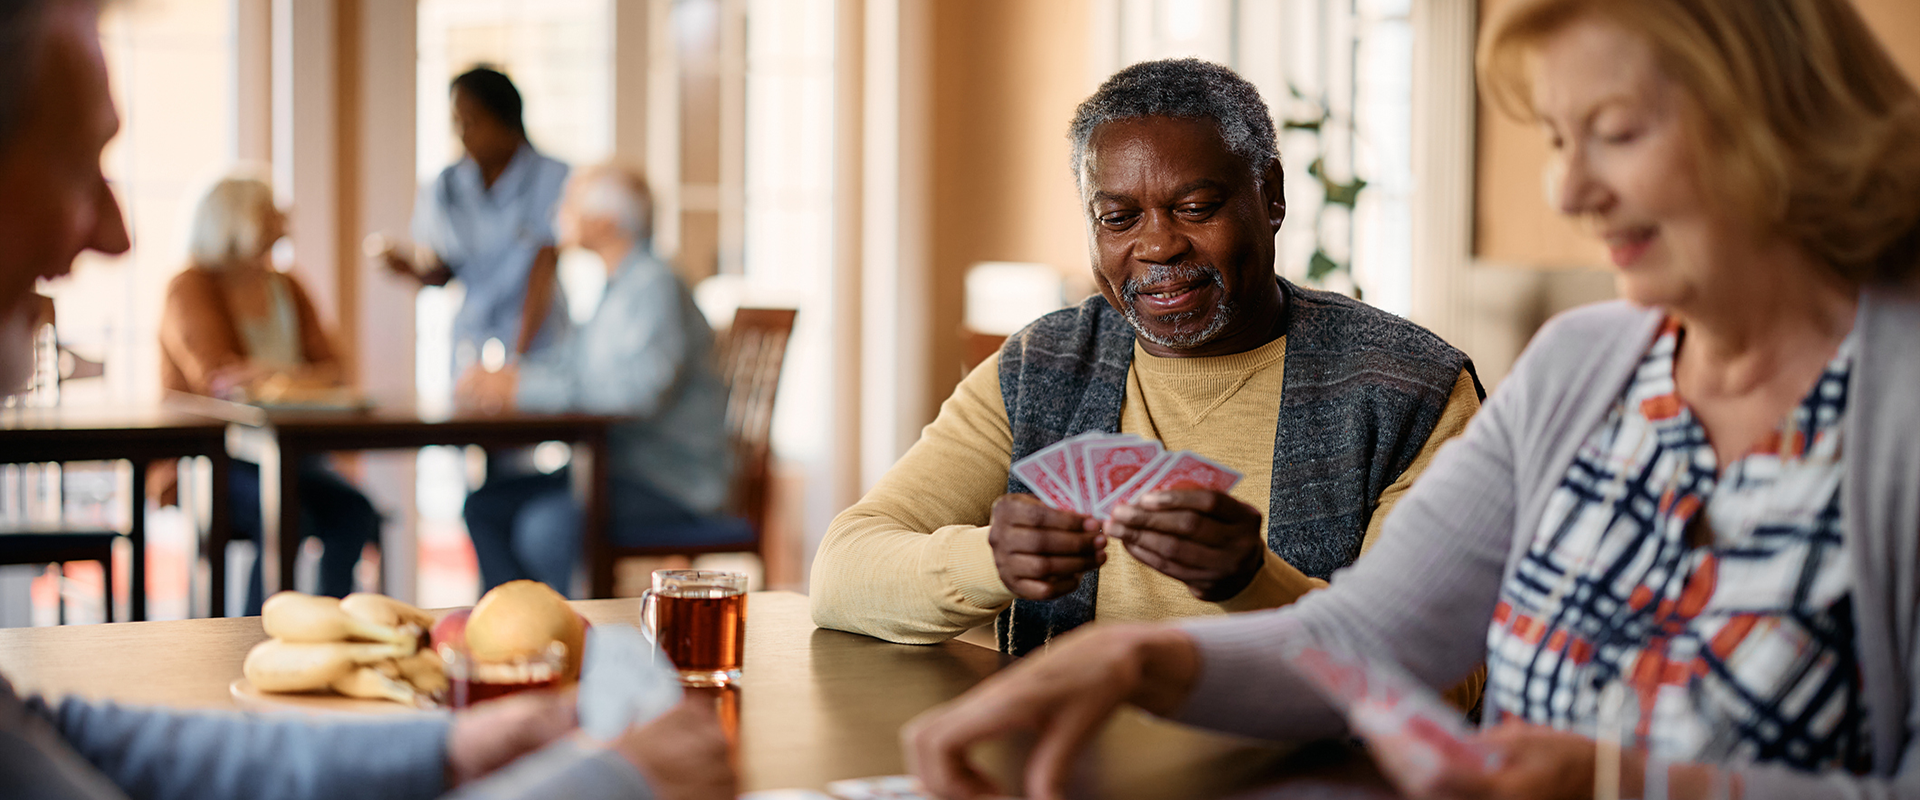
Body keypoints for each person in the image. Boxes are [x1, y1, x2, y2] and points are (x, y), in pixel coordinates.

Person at [901, 1, 1920, 799]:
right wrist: (1131, 658)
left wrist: (1611, 780)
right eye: (1560, 141)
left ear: (1777, 119)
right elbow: (1365, 637)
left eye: (1614, 132)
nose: (1568, 191)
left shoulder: (1898, 403)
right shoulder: (1582, 366)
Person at [0, 3, 734, 799]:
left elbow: (57, 741)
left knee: (413, 509)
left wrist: (444, 753)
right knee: (491, 507)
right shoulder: (205, 282)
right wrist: (607, 784)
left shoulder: (630, 279)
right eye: (79, 161)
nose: (117, 235)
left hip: (655, 473)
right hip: (246, 456)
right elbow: (238, 372)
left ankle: (507, 657)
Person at [809, 58, 1484, 658]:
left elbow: (1438, 665)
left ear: (1271, 197)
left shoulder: (1412, 390)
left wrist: (1255, 582)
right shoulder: (1043, 366)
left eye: (1195, 207)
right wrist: (992, 560)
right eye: (1118, 218)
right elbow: (841, 573)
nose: (1159, 247)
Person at [457, 164, 743, 596]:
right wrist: (511, 378)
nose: (559, 211)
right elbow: (576, 368)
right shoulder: (618, 287)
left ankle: (572, 642)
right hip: (616, 471)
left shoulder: (654, 287)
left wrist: (522, 389)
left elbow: (636, 394)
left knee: (545, 527)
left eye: (571, 202)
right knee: (485, 505)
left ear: (606, 221)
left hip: (669, 482)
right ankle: (515, 639)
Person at [156, 173, 381, 615]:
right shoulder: (190, 286)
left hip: (289, 455)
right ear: (237, 219)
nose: (284, 220)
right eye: (271, 211)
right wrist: (300, 377)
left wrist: (270, 373)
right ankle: (253, 638)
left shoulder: (288, 286)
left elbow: (336, 372)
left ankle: (326, 630)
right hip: (212, 461)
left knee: (355, 512)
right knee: (287, 516)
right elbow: (219, 380)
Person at [379, 66, 570, 376]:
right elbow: (445, 272)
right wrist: (408, 269)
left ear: (506, 120)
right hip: (472, 343)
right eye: (457, 123)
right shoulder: (445, 186)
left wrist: (514, 364)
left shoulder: (551, 177)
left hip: (538, 344)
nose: (463, 134)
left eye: (472, 121)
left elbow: (542, 269)